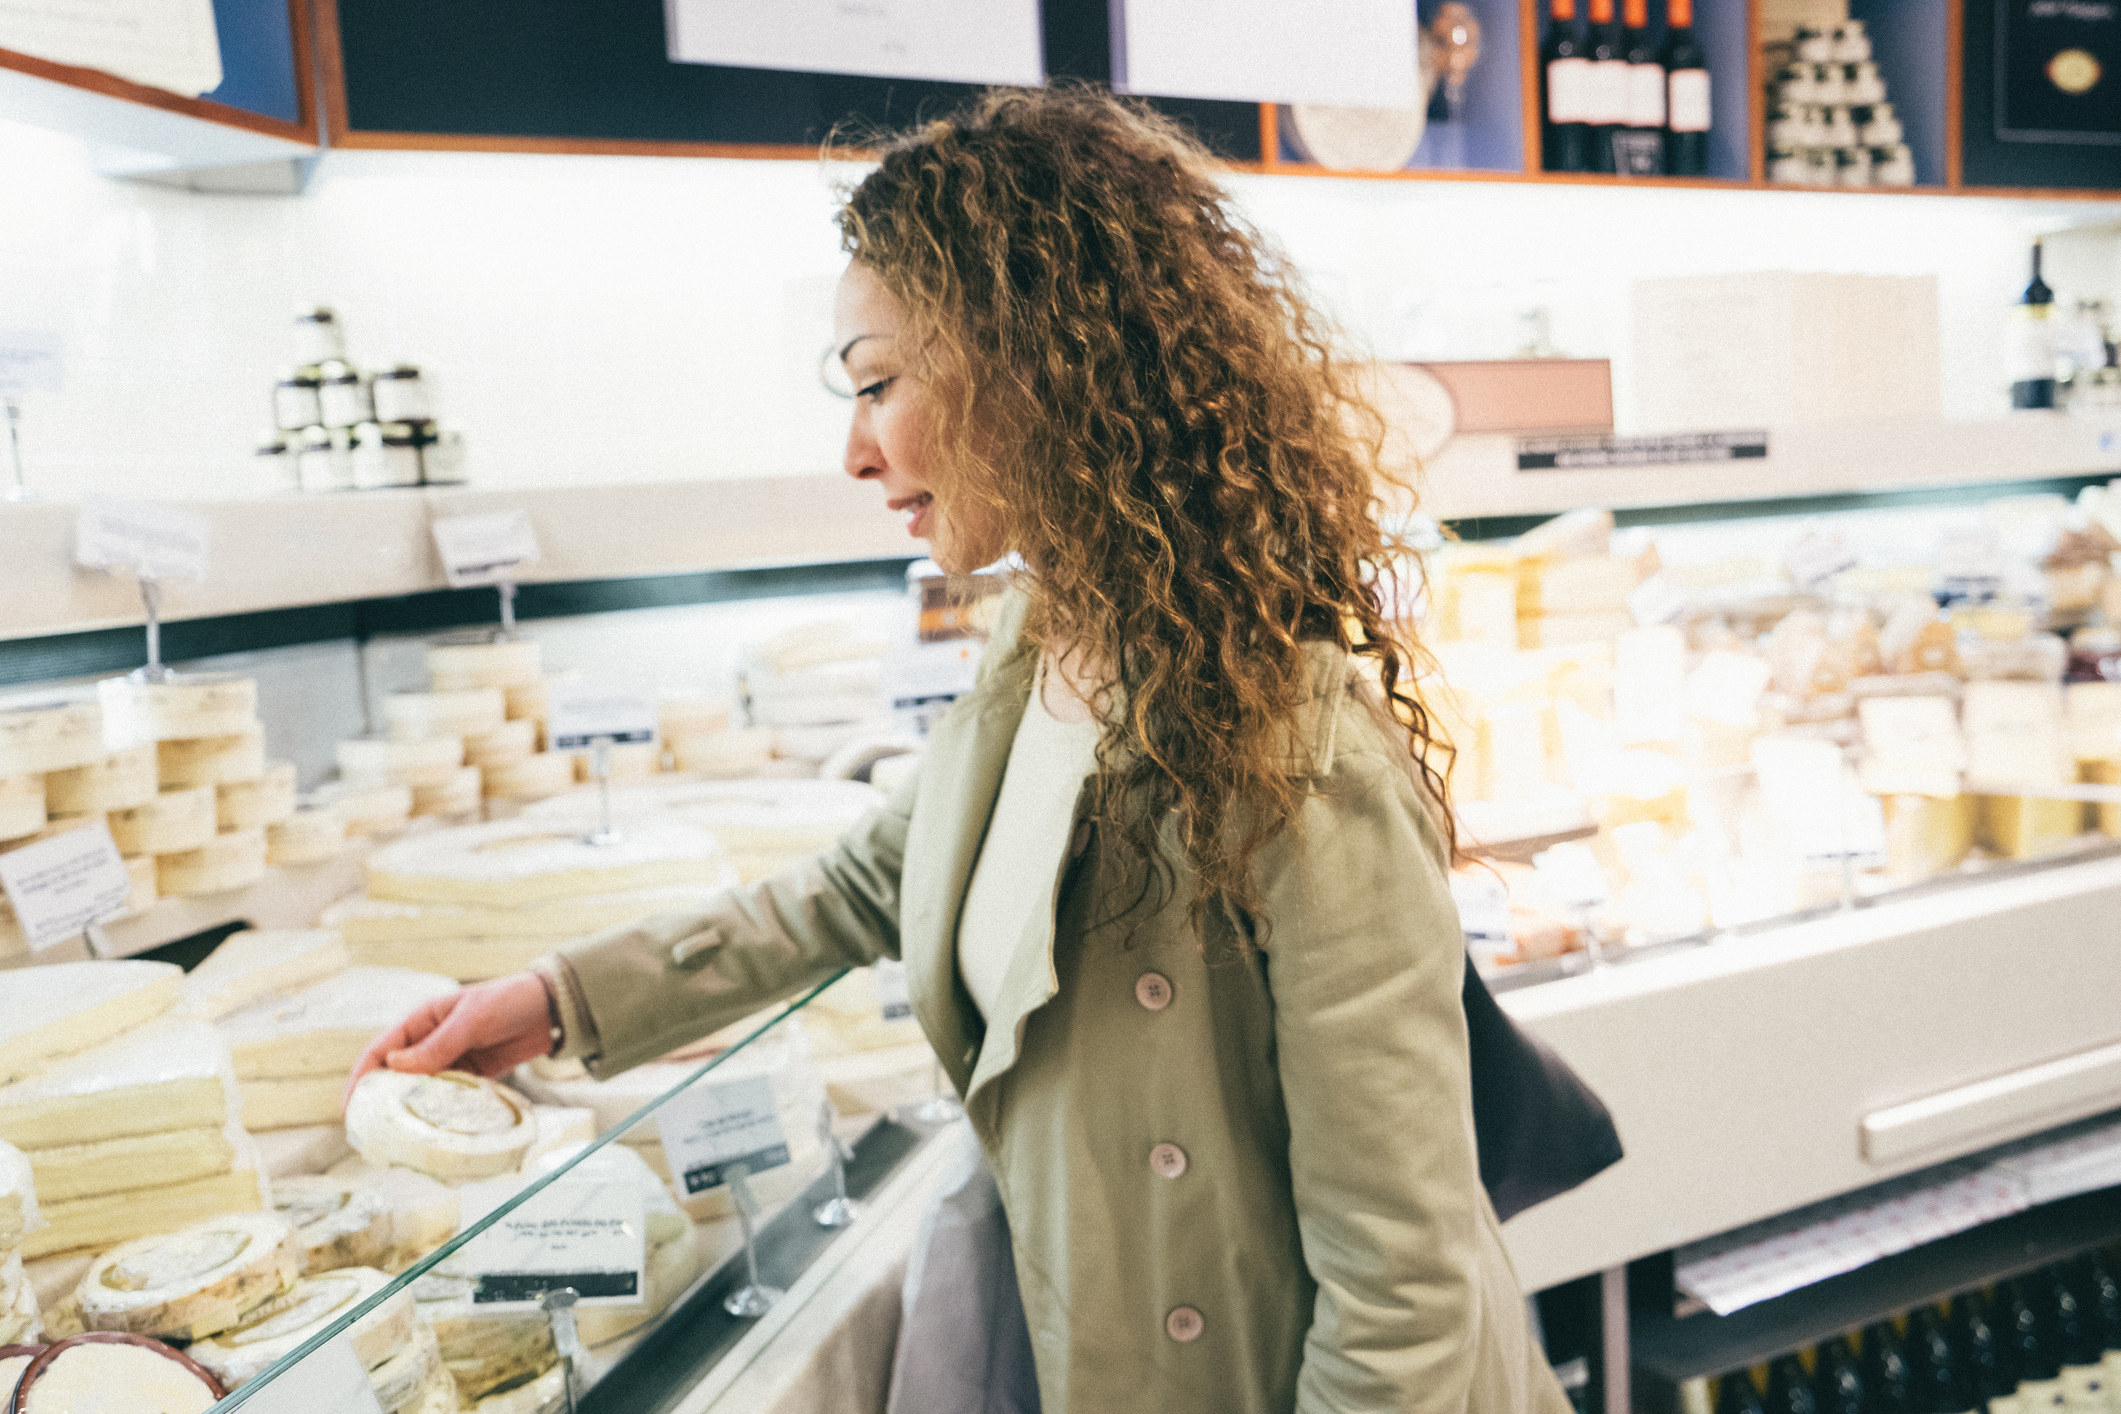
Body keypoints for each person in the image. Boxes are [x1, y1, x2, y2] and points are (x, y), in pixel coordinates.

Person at [349, 86, 1573, 1414]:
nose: (854, 450)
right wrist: (551, 1001)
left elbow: (1403, 1289)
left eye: (877, 384)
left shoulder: (1296, 744)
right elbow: (880, 877)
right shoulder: (1043, 640)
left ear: (1039, 361)